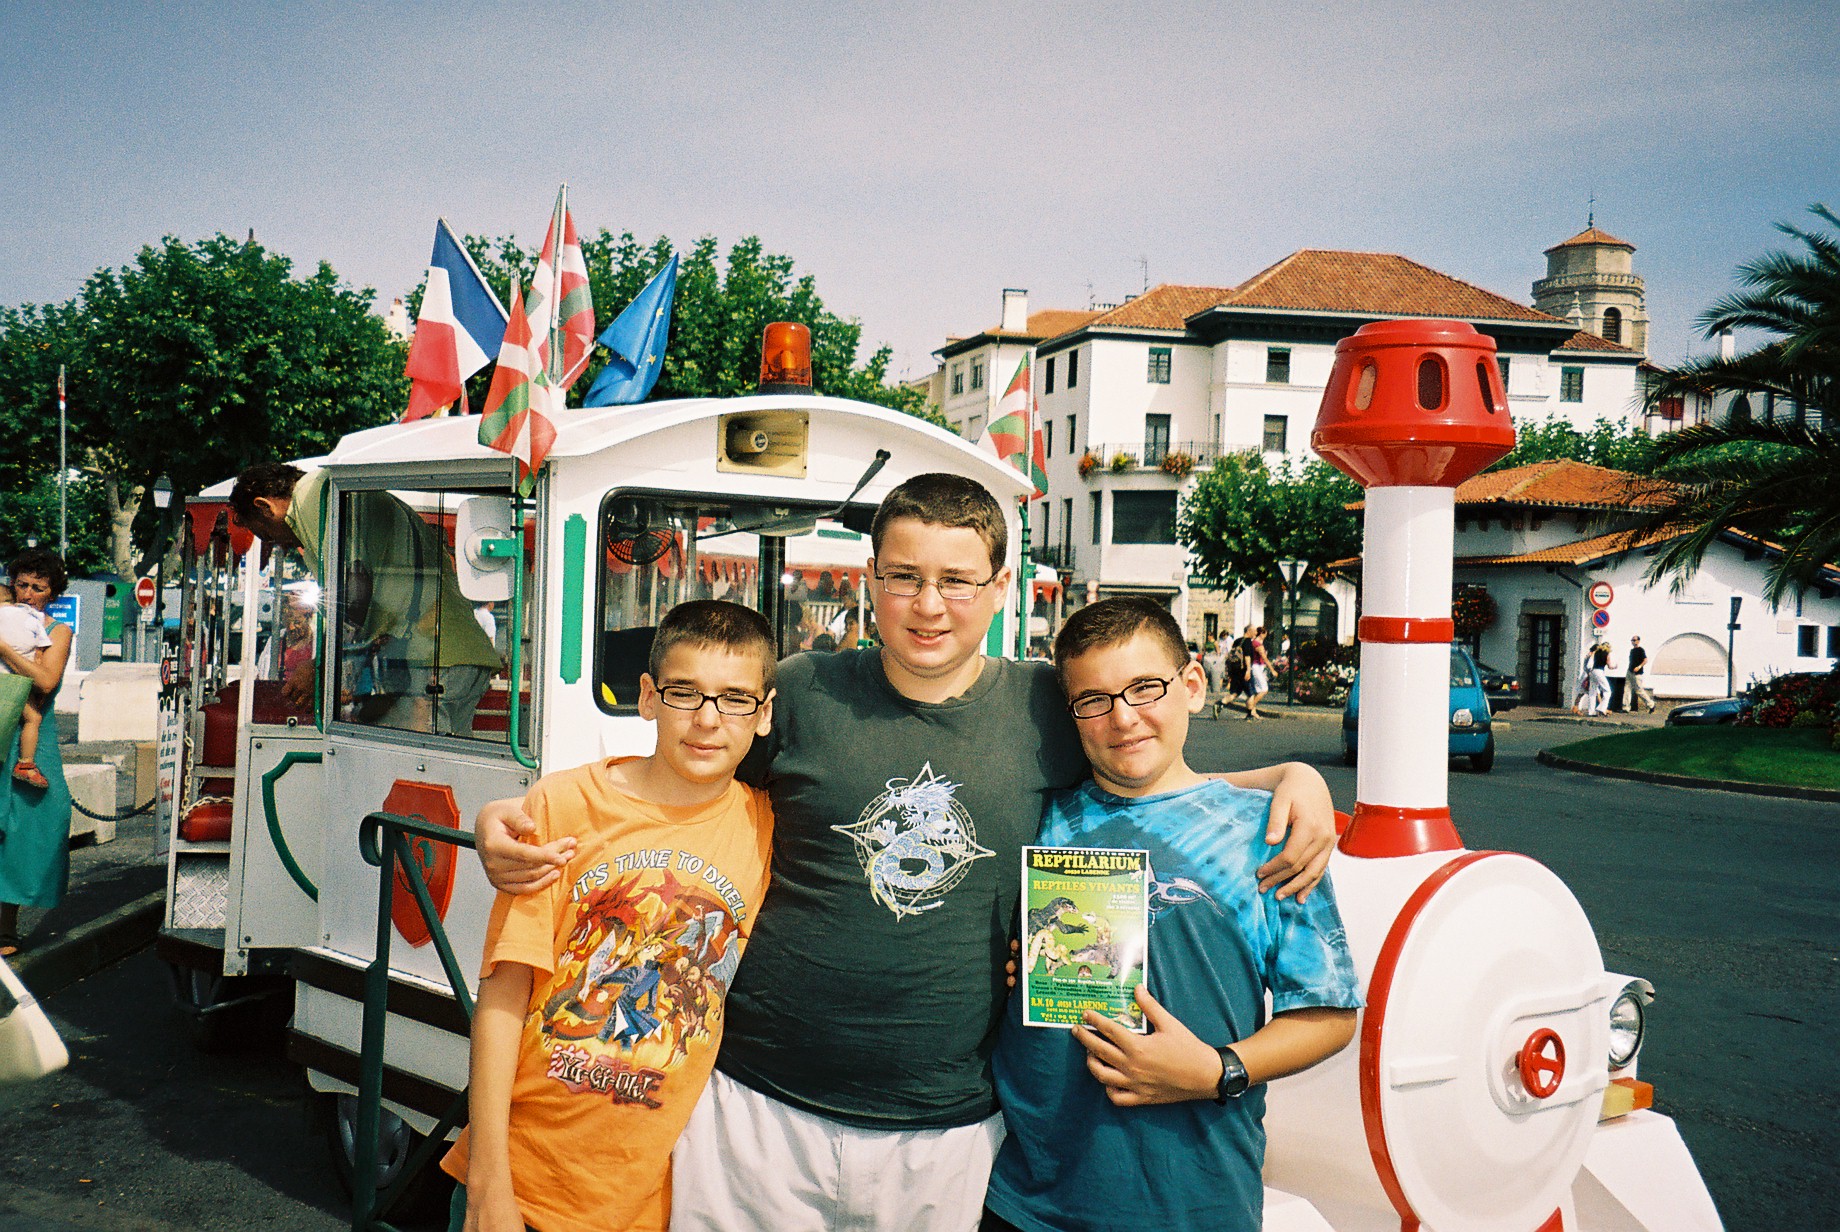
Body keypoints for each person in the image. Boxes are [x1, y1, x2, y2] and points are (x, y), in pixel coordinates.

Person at [475, 473, 1337, 1232]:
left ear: (1000, 588)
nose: (930, 605)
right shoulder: (805, 689)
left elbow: (1148, 759)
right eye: (905, 578)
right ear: (872, 581)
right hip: (757, 1110)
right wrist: (510, 812)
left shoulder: (1049, 705)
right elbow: (680, 766)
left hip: (951, 1129)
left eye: (958, 581)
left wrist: (1290, 774)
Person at [985, 598, 1361, 1232]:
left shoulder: (1267, 833)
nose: (1123, 718)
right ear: (1071, 714)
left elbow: (1328, 1014)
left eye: (1145, 689)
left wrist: (1218, 1070)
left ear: (1191, 684)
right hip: (1028, 1197)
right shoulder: (1035, 818)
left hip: (1196, 1198)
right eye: (1094, 700)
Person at [440, 600, 777, 1232]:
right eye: (685, 693)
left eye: (735, 699)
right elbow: (503, 994)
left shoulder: (766, 827)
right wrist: (489, 1182)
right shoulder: (563, 804)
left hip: (654, 1200)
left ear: (764, 714)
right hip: (526, 1181)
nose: (708, 720)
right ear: (648, 697)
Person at [230, 463, 503, 736]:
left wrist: (323, 667)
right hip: (454, 655)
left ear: (265, 506)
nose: (279, 543)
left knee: (414, 768)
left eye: (266, 533)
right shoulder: (335, 490)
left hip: (433, 660)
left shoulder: (314, 494)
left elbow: (354, 587)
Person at [0, 550, 77, 958]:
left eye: (39, 588)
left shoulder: (57, 631)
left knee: (30, 827)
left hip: (32, 736)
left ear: (52, 594)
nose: (27, 594)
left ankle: (6, 926)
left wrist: (4, 648)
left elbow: (46, 680)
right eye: (22, 584)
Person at [0, 581, 53, 788]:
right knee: (33, 718)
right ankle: (25, 765)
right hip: (16, 682)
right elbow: (41, 647)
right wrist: (36, 661)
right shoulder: (31, 617)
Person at [1244, 626, 1272, 721]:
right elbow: (1264, 658)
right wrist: (1272, 669)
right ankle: (1250, 707)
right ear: (1262, 634)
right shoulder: (1257, 644)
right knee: (1264, 689)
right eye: (1265, 634)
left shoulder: (1255, 643)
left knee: (1258, 690)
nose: (1265, 636)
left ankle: (1253, 711)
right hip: (1256, 667)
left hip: (1257, 667)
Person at [1625, 635, 1654, 713]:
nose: (1633, 642)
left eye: (1634, 640)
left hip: (1638, 673)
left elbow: (1645, 660)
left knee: (1639, 690)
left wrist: (1639, 667)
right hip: (1630, 671)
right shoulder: (1632, 650)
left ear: (1638, 641)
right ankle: (1626, 707)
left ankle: (1650, 704)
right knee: (1627, 689)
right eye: (1632, 640)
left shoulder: (1641, 650)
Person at [1587, 640, 1613, 716]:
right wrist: (1615, 666)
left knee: (1592, 692)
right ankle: (1601, 708)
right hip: (1599, 671)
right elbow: (1609, 666)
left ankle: (1591, 712)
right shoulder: (1607, 654)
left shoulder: (1596, 652)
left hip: (1592, 671)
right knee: (1607, 691)